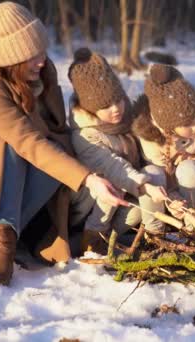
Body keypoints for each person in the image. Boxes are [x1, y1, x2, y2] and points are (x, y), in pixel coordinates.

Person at [0, 2, 127, 286]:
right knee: (10, 147)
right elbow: (26, 140)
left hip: (23, 166)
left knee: (58, 154)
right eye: (31, 56)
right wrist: (88, 179)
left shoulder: (41, 73)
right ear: (11, 59)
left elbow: (55, 131)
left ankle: (6, 233)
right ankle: (1, 249)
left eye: (42, 51)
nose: (42, 60)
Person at [67, 48, 167, 254]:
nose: (116, 108)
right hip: (90, 207)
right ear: (90, 109)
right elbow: (114, 166)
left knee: (151, 184)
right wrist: (144, 187)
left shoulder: (127, 119)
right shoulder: (84, 135)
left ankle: (150, 240)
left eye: (118, 99)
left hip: (123, 200)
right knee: (112, 181)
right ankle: (92, 239)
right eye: (105, 105)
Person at [131, 64, 195, 235]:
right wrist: (172, 201)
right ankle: (154, 233)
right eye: (188, 123)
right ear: (168, 125)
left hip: (188, 190)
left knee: (191, 171)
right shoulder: (150, 138)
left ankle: (194, 228)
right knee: (152, 174)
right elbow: (163, 180)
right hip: (160, 194)